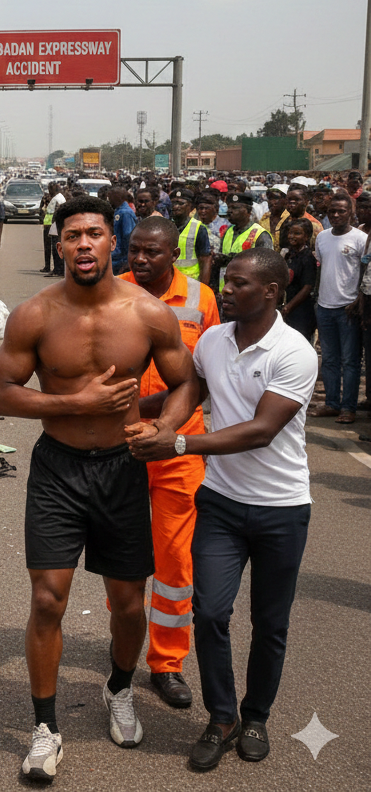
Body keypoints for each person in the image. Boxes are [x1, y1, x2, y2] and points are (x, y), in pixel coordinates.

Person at [0, 195, 198, 781]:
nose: (84, 243)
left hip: (123, 469)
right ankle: (46, 727)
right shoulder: (34, 314)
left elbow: (188, 382)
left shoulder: (149, 313)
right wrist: (72, 402)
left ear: (113, 242)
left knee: (129, 603)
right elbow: (2, 393)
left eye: (95, 234)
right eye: (73, 234)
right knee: (48, 599)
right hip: (59, 469)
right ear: (59, 245)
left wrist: (164, 428)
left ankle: (119, 689)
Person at [126, 248, 318, 772]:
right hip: (223, 504)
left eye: (237, 284)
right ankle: (222, 717)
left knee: (270, 623)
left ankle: (256, 717)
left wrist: (180, 447)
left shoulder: (294, 352)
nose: (224, 290)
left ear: (272, 293)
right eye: (226, 281)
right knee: (210, 612)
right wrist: (128, 410)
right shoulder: (212, 339)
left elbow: (260, 431)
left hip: (281, 508)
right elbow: (190, 392)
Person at [122, 217, 218, 709]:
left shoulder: (201, 299)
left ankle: (167, 663)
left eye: (151, 252)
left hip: (180, 449)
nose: (140, 259)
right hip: (122, 445)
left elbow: (209, 371)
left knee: (176, 560)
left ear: (172, 254)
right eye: (134, 250)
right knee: (124, 558)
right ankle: (123, 654)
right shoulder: (112, 293)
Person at [309, 192, 364, 422]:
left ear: (351, 213)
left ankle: (348, 408)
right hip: (325, 306)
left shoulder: (360, 239)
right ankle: (332, 403)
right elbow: (322, 267)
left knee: (350, 361)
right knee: (329, 359)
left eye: (341, 211)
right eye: (332, 211)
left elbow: (365, 273)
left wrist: (358, 300)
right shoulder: (322, 237)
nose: (336, 215)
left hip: (348, 308)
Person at [214, 193, 272, 292]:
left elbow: (265, 267)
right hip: (226, 290)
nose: (229, 211)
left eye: (235, 208)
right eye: (229, 208)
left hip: (247, 292)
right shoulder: (228, 231)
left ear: (248, 211)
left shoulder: (260, 234)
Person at [280, 219, 317, 341]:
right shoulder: (288, 254)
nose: (292, 236)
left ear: (306, 237)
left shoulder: (307, 258)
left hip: (301, 310)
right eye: (290, 233)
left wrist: (288, 307)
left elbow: (307, 287)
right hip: (287, 307)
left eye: (297, 233)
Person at [168, 187, 212, 287]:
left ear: (190, 207)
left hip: (191, 283)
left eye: (181, 203)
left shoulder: (199, 229)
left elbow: (205, 260)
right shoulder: (165, 226)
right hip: (169, 282)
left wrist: (204, 288)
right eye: (174, 203)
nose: (176, 206)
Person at [196, 191, 229, 293]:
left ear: (215, 209)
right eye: (201, 208)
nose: (203, 211)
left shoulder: (225, 226)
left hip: (219, 272)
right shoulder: (194, 225)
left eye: (207, 208)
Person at [106, 187, 137, 275]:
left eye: (110, 198)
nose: (109, 201)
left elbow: (129, 237)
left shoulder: (125, 213)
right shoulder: (118, 211)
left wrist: (128, 261)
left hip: (121, 260)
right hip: (114, 258)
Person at [44, 185, 66, 277]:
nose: (49, 192)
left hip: (55, 226)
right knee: (55, 249)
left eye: (50, 189)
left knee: (56, 249)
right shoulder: (57, 198)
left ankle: (59, 270)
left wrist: (51, 224)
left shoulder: (58, 199)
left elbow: (56, 214)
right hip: (53, 226)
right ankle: (57, 269)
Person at [40, 183, 58, 273]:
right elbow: (40, 208)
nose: (51, 190)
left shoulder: (57, 198)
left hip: (54, 225)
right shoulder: (46, 197)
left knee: (55, 247)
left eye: (52, 188)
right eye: (50, 188)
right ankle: (47, 266)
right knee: (47, 247)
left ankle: (56, 267)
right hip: (47, 224)